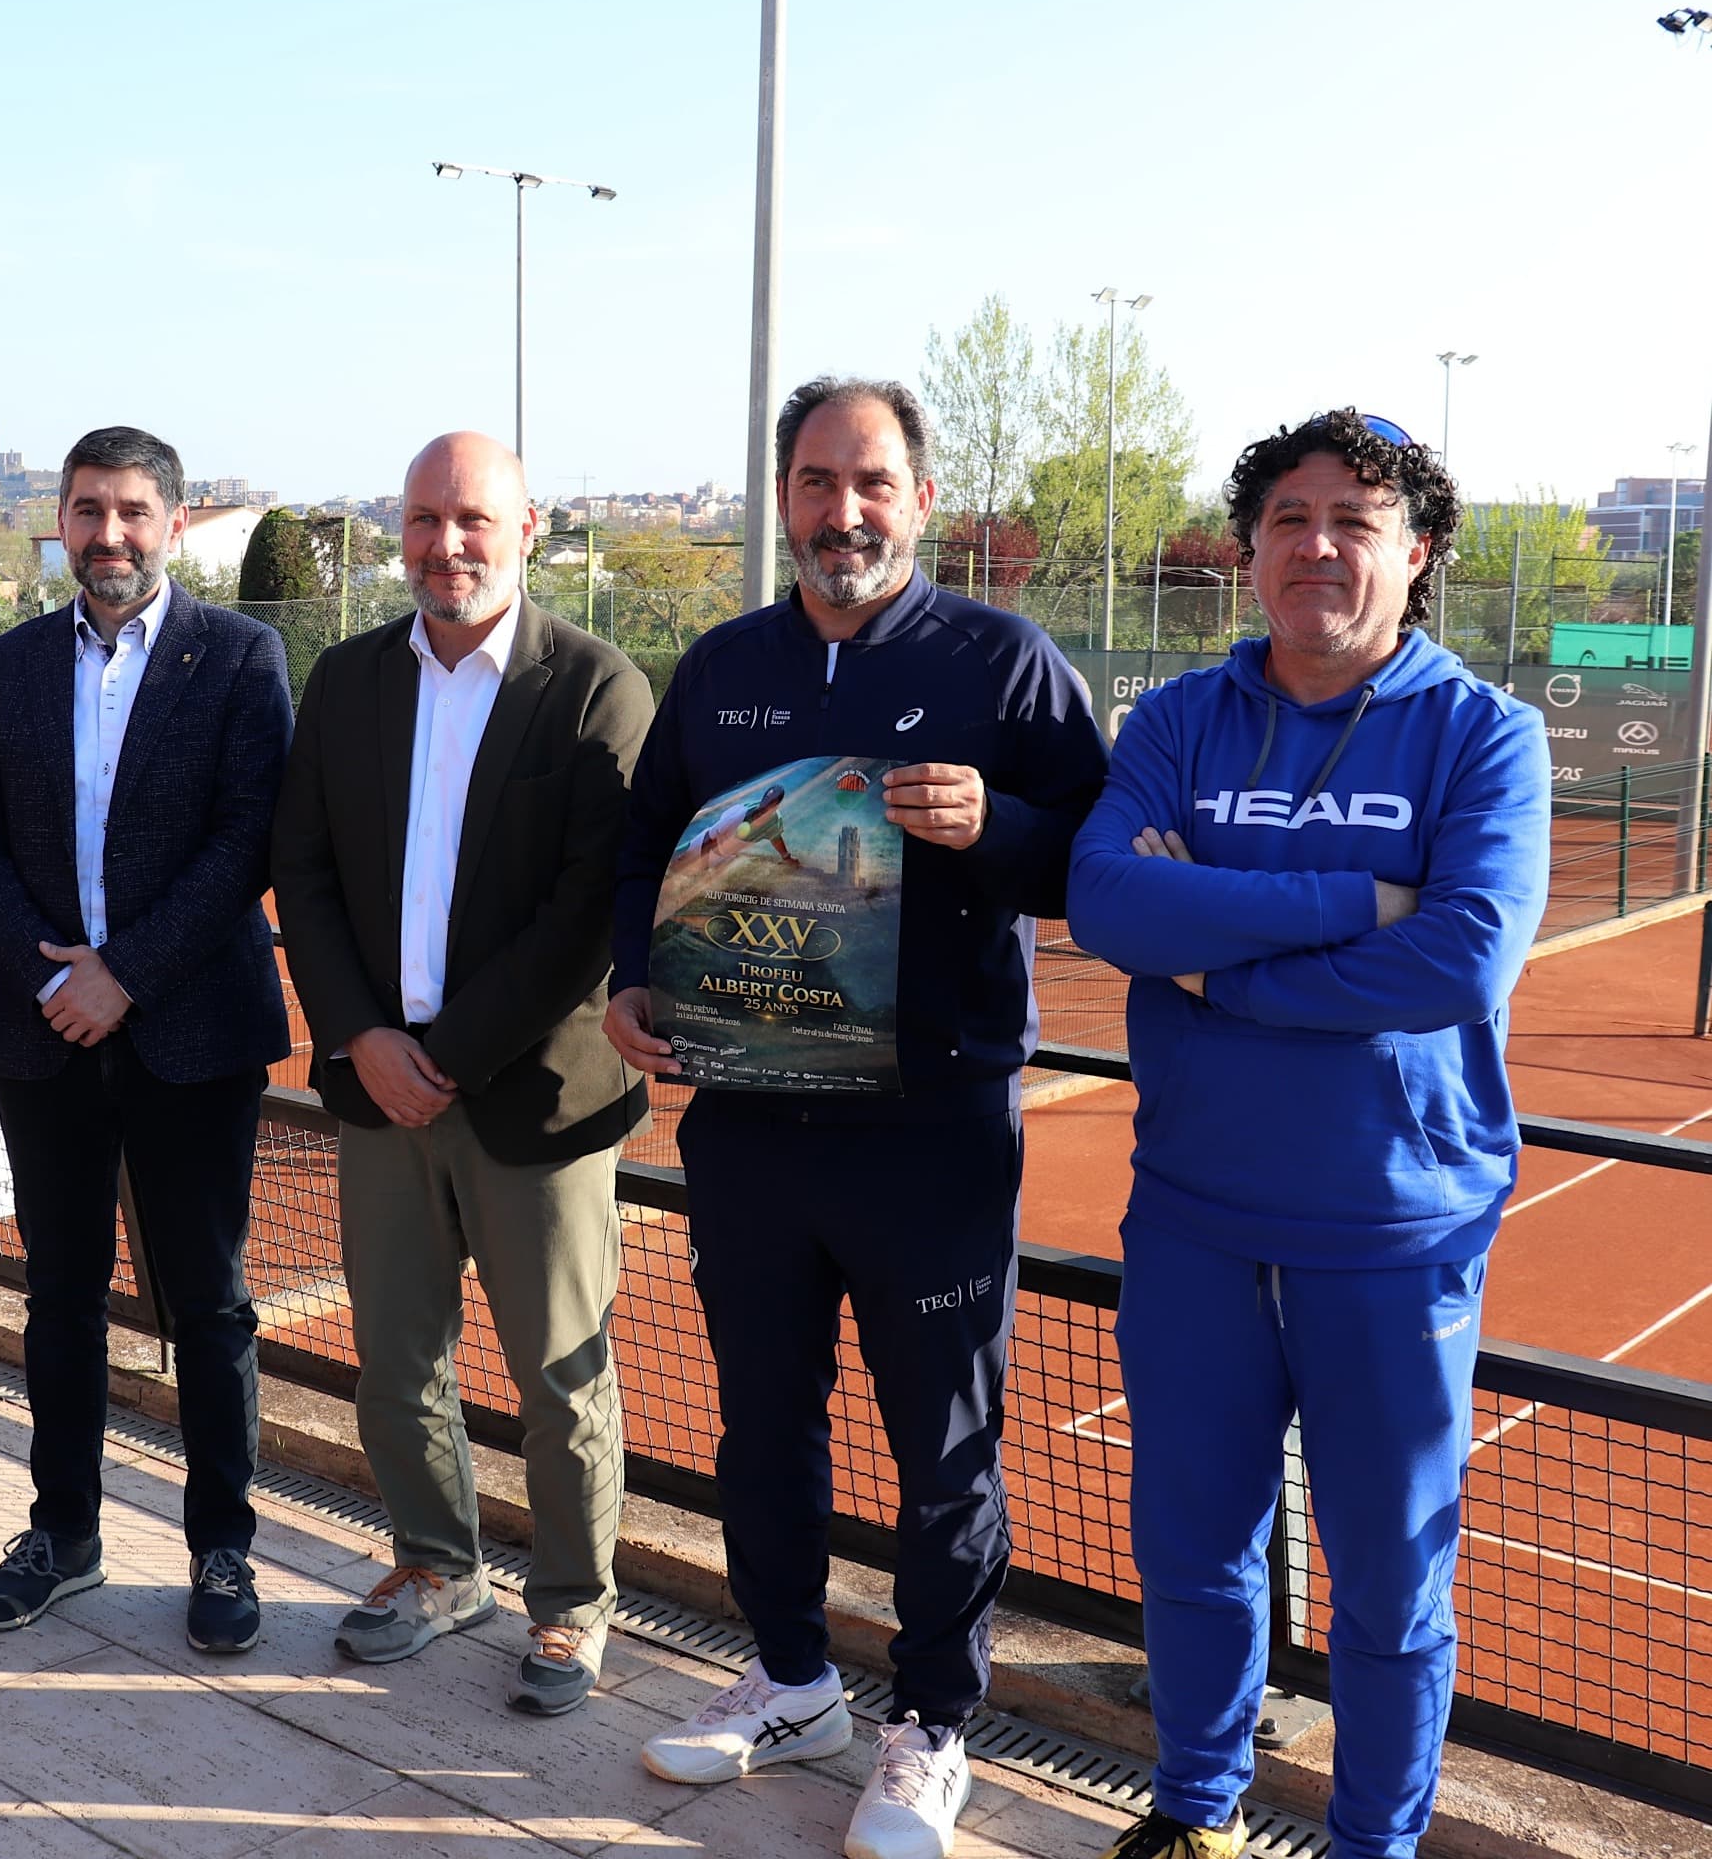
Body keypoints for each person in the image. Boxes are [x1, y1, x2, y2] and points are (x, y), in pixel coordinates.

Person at [606, 378, 1108, 1859]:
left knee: (942, 1451)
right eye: (818, 482)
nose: (845, 511)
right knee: (760, 1423)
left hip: (931, 1135)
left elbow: (1098, 861)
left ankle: (933, 1724)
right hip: (751, 1124)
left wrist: (998, 826)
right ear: (784, 499)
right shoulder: (722, 667)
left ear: (920, 499)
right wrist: (633, 980)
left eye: (873, 481)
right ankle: (790, 1682)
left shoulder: (1004, 664)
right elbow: (647, 844)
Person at [1066, 411, 1549, 1859]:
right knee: (1190, 1549)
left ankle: (1371, 1844)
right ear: (1249, 551)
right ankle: (1195, 1809)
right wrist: (1355, 903)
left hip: (1394, 1228)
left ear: (1416, 552)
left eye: (1355, 519)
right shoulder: (1176, 722)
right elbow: (1108, 903)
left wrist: (1215, 961)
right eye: (1288, 517)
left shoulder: (1485, 735)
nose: (1318, 545)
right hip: (1194, 1211)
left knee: (1388, 1585)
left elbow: (1459, 957)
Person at [272, 430, 654, 1716]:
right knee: (395, 1361)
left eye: (472, 518)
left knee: (559, 1379)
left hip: (536, 1098)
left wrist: (439, 1054)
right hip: (378, 1089)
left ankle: (572, 1605)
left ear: (526, 527)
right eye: (425, 519)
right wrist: (359, 1035)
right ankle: (437, 1568)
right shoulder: (347, 679)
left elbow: (584, 914)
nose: (446, 544)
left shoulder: (595, 686)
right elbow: (302, 869)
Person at [0, 426, 292, 1653]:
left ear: (173, 524)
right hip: (45, 1032)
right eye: (88, 510)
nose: (109, 534)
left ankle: (222, 1549)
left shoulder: (239, 655)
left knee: (208, 1303)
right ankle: (64, 1533)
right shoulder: (13, 661)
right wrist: (53, 975)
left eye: (133, 511)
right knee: (58, 1296)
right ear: (62, 522)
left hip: (190, 1034)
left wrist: (123, 975)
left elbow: (247, 839)